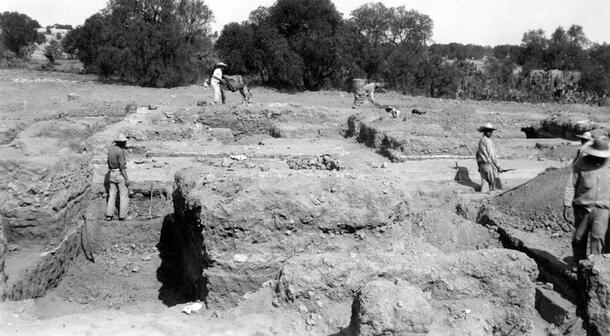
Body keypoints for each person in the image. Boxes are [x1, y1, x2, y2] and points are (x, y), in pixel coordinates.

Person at [563, 138, 610, 270]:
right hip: (582, 208)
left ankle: (595, 267)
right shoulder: (581, 163)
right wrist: (567, 204)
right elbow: (571, 184)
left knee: (598, 237)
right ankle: (578, 262)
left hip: (603, 209)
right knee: (578, 237)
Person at [105, 133, 130, 221]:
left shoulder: (110, 148)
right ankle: (122, 216)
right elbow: (122, 167)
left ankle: (109, 215)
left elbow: (108, 162)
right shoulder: (120, 151)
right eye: (124, 142)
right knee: (123, 195)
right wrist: (126, 179)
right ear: (120, 142)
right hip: (119, 173)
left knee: (112, 195)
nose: (125, 143)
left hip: (111, 173)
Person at [476, 123, 503, 192]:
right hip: (488, 165)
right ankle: (494, 198)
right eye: (488, 131)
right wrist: (498, 166)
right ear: (484, 131)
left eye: (491, 131)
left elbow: (477, 154)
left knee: (485, 183)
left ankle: (483, 198)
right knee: (495, 183)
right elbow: (492, 155)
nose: (490, 133)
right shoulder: (487, 141)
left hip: (482, 165)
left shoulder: (481, 140)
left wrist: (479, 166)